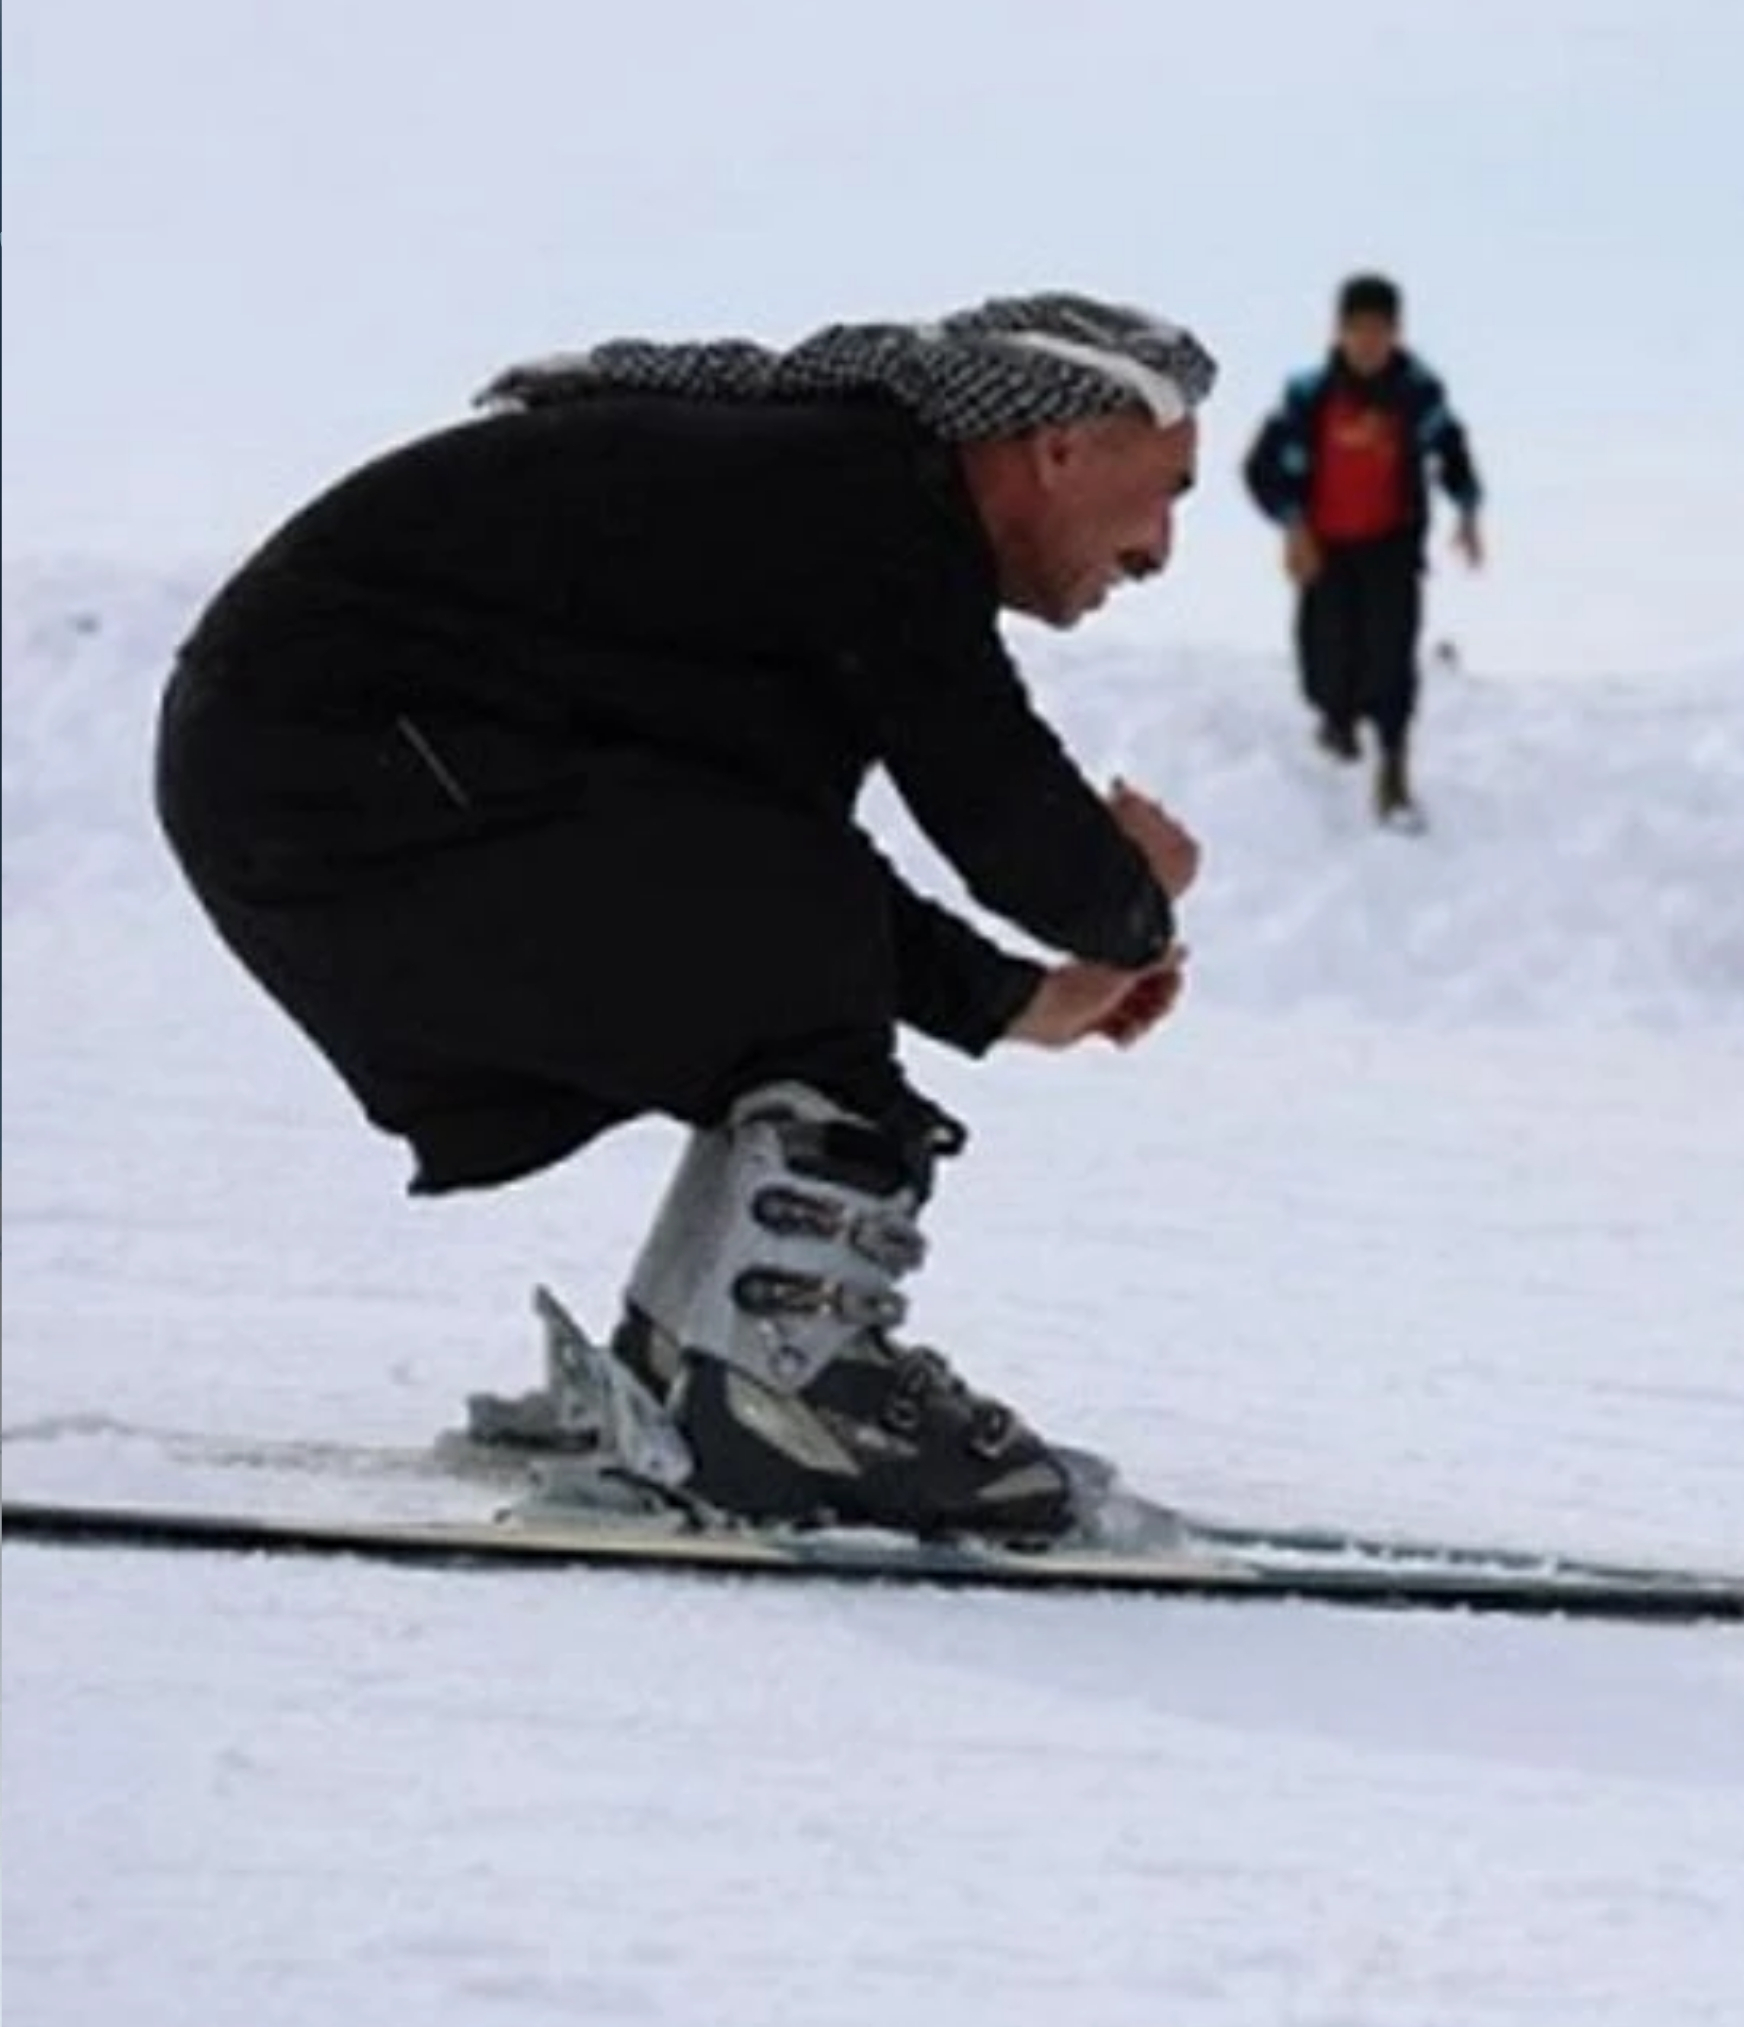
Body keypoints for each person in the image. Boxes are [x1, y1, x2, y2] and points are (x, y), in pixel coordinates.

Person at [152, 292, 1216, 1540]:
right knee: (787, 933)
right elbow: (998, 811)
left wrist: (1013, 1001)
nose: (1159, 552)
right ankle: (783, 1393)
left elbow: (760, 850)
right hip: (345, 770)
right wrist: (1135, 899)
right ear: (1060, 444)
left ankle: (694, 1364)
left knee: (778, 921)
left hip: (328, 779)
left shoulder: (819, 508)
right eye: (1172, 492)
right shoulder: (869, 496)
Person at [1241, 272, 1485, 830]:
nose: (1369, 342)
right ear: (1340, 332)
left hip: (1391, 547)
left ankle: (1393, 767)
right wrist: (1293, 525)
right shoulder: (1308, 396)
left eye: (1381, 330)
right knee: (1325, 655)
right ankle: (1337, 723)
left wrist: (1468, 511)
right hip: (1323, 548)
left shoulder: (1417, 392)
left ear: (1396, 333)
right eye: (1359, 330)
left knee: (1390, 654)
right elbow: (1260, 468)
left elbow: (1452, 450)